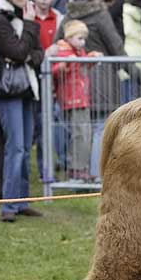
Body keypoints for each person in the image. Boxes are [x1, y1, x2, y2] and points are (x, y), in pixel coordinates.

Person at [0, 0, 44, 222]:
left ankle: (21, 201)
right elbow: (18, 52)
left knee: (25, 146)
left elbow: (37, 52)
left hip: (27, 87)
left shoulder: (20, 15)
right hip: (8, 89)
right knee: (15, 146)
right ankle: (8, 205)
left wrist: (27, 50)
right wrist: (29, 26)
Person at [57, 0, 127, 180]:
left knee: (77, 130)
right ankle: (97, 174)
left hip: (72, 81)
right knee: (98, 128)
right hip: (99, 78)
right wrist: (137, 74)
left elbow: (57, 41)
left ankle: (77, 170)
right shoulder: (100, 13)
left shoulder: (69, 14)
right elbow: (116, 46)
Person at [48, 20, 96, 180]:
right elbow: (55, 70)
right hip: (71, 99)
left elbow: (82, 68)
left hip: (82, 97)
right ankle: (75, 168)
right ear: (69, 37)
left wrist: (91, 59)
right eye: (79, 38)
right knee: (78, 134)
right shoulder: (63, 51)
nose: (83, 42)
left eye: (84, 39)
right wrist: (64, 65)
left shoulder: (78, 52)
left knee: (84, 133)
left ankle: (81, 166)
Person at [30, 0, 62, 175]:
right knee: (37, 127)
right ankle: (42, 168)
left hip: (56, 78)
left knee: (53, 126)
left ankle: (53, 166)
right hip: (33, 77)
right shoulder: (28, 18)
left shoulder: (59, 18)